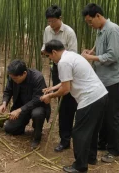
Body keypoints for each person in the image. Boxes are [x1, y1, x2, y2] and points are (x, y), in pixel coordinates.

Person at [40, 40, 108, 173]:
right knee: (92, 130)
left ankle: (80, 166)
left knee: (79, 133)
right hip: (101, 95)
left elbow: (65, 89)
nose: (50, 59)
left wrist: (50, 96)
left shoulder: (63, 62)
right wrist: (52, 88)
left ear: (54, 52)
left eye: (49, 56)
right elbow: (69, 79)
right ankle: (91, 158)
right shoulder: (71, 55)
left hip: (90, 99)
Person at [81, 3, 119, 163]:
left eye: (90, 21)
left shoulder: (113, 29)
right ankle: (103, 143)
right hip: (102, 78)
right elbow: (102, 50)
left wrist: (91, 58)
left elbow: (112, 56)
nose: (90, 24)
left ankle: (114, 150)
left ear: (98, 16)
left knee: (112, 115)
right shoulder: (100, 31)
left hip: (114, 79)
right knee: (102, 113)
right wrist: (92, 52)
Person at [42, 4, 78, 152]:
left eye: (53, 21)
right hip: (56, 68)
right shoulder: (47, 30)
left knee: (70, 103)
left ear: (60, 19)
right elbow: (44, 47)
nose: (50, 24)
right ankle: (65, 139)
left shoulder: (69, 32)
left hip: (69, 68)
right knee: (62, 105)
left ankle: (74, 136)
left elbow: (73, 54)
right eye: (48, 21)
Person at [0, 59, 50, 149]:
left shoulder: (37, 77)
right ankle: (21, 124)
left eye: (15, 78)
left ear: (24, 73)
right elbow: (8, 91)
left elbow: (37, 99)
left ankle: (37, 136)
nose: (13, 80)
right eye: (12, 78)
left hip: (37, 106)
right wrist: (4, 103)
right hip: (21, 106)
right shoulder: (12, 76)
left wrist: (19, 110)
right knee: (10, 129)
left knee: (37, 114)